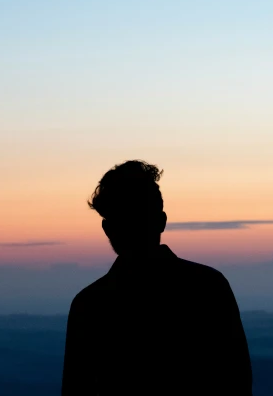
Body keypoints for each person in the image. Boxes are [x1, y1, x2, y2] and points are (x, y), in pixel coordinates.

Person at [61, 160, 252, 395]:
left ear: (107, 229)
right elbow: (238, 380)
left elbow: (75, 388)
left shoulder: (90, 304)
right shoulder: (208, 287)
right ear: (162, 221)